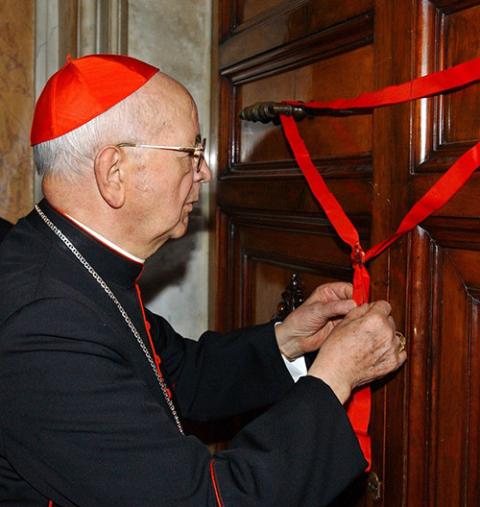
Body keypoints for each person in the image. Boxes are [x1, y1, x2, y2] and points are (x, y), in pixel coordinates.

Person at [0, 54, 406, 507]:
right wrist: (335, 378)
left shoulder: (71, 260)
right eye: (191, 153)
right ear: (114, 172)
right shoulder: (44, 322)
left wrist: (288, 341)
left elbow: (180, 375)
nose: (205, 171)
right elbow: (201, 500)